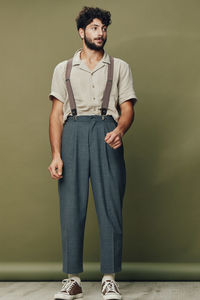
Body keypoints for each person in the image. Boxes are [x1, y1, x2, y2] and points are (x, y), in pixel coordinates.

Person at [48, 6, 138, 300]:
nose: (101, 33)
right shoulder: (63, 69)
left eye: (104, 28)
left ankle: (109, 278)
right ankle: (72, 279)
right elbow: (56, 114)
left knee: (110, 204)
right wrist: (56, 155)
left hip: (106, 131)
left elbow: (127, 109)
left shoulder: (119, 67)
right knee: (71, 207)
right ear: (81, 32)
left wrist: (120, 130)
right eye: (95, 28)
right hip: (72, 131)